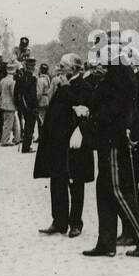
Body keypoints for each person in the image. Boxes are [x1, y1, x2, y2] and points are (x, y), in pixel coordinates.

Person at [82, 43, 139, 257]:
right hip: (108, 140)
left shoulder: (118, 75)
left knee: (117, 191)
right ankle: (106, 243)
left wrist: (90, 116)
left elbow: (113, 109)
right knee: (104, 192)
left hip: (113, 140)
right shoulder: (117, 74)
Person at [34, 52, 95, 237]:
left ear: (75, 68)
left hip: (74, 143)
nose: (60, 68)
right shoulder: (60, 84)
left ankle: (75, 223)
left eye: (64, 65)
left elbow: (81, 109)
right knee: (57, 181)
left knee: (76, 182)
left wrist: (65, 87)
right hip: (58, 143)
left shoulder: (84, 86)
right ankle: (58, 221)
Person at [16, 58, 39, 152]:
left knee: (26, 126)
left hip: (23, 105)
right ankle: (26, 147)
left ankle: (25, 146)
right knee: (30, 127)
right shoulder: (33, 79)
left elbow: (16, 92)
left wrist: (18, 104)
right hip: (30, 106)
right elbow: (33, 94)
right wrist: (35, 107)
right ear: (32, 67)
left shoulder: (20, 78)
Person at [0, 66, 19, 146]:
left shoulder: (2, 80)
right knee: (8, 123)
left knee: (13, 122)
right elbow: (14, 94)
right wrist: (17, 103)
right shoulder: (13, 81)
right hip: (10, 104)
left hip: (3, 104)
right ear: (14, 71)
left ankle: (17, 138)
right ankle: (4, 140)